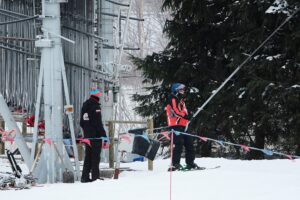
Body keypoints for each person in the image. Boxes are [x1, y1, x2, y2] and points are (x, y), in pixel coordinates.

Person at [166, 83, 200, 171]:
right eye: (181, 89)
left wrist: (188, 116)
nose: (183, 91)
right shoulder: (172, 98)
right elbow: (176, 111)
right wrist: (185, 116)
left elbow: (184, 111)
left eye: (183, 89)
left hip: (184, 125)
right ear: (176, 90)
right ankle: (175, 164)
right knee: (178, 145)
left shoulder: (181, 100)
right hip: (175, 125)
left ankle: (190, 163)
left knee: (190, 144)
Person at [80, 87, 106, 182]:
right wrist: (104, 135)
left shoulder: (84, 105)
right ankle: (95, 178)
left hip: (87, 136)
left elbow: (81, 122)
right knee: (95, 158)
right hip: (95, 137)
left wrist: (86, 132)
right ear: (98, 95)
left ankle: (85, 177)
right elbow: (98, 123)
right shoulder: (96, 107)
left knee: (88, 157)